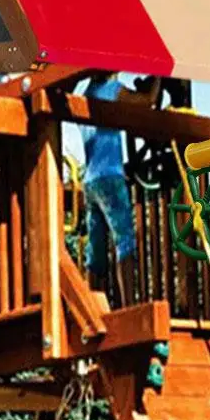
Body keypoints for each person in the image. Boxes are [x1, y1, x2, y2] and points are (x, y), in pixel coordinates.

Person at [77, 72, 162, 307]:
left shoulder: (85, 95)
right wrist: (160, 77)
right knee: (125, 242)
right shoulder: (113, 90)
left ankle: (93, 307)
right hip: (110, 178)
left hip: (90, 181)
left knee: (96, 251)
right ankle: (129, 306)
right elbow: (148, 101)